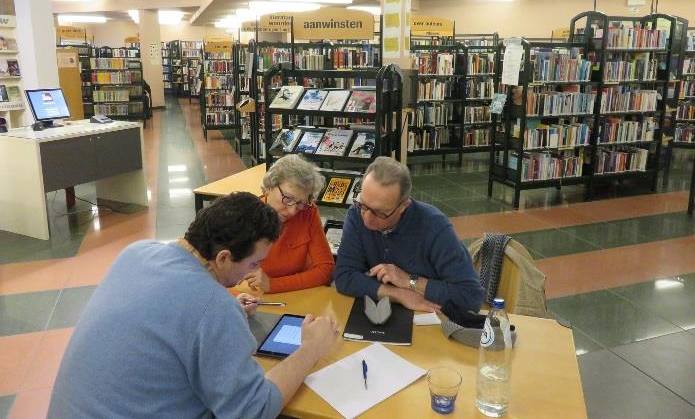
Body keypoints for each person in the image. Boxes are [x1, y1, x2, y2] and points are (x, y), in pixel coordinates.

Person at [48, 192, 339, 419]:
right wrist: (310, 349)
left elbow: (168, 313)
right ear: (223, 258)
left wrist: (227, 312)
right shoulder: (214, 308)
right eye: (254, 263)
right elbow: (254, 409)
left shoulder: (136, 252)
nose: (254, 272)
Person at [334, 157, 485, 323]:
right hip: (378, 315)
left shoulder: (434, 226)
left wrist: (409, 281)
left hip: (430, 321)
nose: (367, 219)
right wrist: (398, 294)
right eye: (363, 205)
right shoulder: (356, 215)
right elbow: (344, 276)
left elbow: (471, 298)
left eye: (380, 213)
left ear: (403, 207)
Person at [243, 154, 335, 293]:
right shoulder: (245, 214)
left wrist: (273, 285)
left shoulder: (308, 212)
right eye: (287, 198)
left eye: (300, 203)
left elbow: (326, 270)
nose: (293, 211)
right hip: (253, 295)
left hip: (298, 296)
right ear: (269, 187)